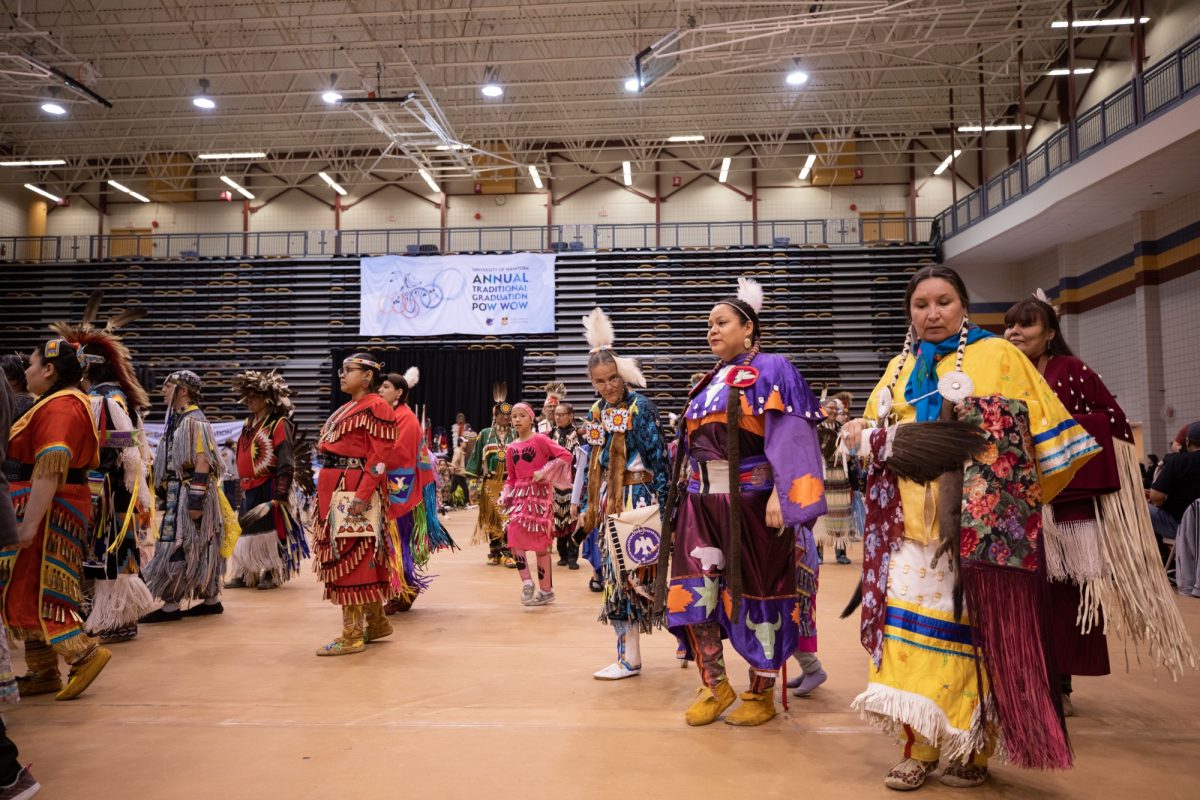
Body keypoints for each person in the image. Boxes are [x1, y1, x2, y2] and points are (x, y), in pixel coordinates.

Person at [847, 265, 1099, 790]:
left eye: (943, 302)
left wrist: (974, 427)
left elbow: (1040, 438)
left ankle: (971, 748)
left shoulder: (998, 357)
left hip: (975, 534)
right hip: (908, 530)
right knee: (907, 642)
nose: (932, 313)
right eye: (921, 305)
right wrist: (861, 434)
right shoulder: (899, 366)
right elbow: (877, 432)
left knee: (972, 643)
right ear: (909, 313)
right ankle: (917, 747)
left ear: (963, 306)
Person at [1005, 294, 1196, 712]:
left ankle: (1061, 683)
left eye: (1027, 324)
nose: (1015, 331)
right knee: (1018, 592)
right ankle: (1022, 676)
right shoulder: (1001, 372)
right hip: (1016, 504)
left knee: (1065, 593)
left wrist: (1059, 433)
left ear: (1050, 333)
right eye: (1010, 324)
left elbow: (1113, 423)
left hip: (1067, 507)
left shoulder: (1071, 371)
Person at [666, 278, 828, 726]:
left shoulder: (774, 368)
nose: (712, 331)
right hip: (702, 504)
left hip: (755, 503)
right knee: (695, 590)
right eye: (708, 325)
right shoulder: (708, 380)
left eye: (721, 322)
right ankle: (714, 685)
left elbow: (793, 435)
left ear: (749, 328)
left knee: (761, 592)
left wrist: (782, 490)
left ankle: (760, 694)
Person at [0, 338, 111, 700]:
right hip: (44, 505)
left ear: (49, 370)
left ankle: (83, 653)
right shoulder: (54, 403)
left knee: (41, 588)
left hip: (47, 511)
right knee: (25, 587)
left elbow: (50, 468)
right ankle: (43, 671)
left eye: (31, 365)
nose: (26, 371)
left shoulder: (62, 407)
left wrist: (28, 526)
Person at [52, 298, 158, 644]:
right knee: (112, 553)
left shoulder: (103, 399)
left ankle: (119, 619)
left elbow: (123, 448)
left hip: (109, 492)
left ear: (86, 368)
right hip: (116, 491)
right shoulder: (111, 396)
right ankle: (115, 617)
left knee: (110, 554)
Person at [575, 307, 670, 680]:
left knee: (648, 578)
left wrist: (665, 509)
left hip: (641, 502)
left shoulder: (641, 408)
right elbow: (594, 462)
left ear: (622, 373)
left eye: (612, 378)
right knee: (618, 582)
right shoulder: (596, 411)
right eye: (599, 381)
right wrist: (586, 505)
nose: (608, 387)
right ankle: (628, 657)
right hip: (610, 504)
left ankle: (689, 643)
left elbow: (659, 460)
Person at [312, 354, 401, 655]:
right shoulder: (349, 407)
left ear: (367, 377)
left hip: (351, 492)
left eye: (348, 370)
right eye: (342, 370)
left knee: (350, 556)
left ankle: (351, 635)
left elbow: (379, 458)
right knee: (356, 555)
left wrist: (363, 496)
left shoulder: (377, 406)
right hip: (337, 488)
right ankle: (376, 623)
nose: (341, 375)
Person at [140, 371, 229, 622]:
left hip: (189, 492)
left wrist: (196, 501)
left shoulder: (194, 421)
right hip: (179, 491)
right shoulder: (178, 420)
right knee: (197, 543)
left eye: (168, 386)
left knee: (181, 543)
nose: (162, 391)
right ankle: (210, 599)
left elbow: (203, 462)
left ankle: (172, 604)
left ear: (183, 391)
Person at [379, 368, 455, 616]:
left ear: (399, 392)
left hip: (401, 489)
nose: (380, 390)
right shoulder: (390, 414)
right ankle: (400, 589)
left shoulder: (406, 418)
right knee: (391, 542)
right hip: (390, 487)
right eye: (380, 387)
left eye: (386, 387)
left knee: (397, 541)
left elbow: (398, 452)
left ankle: (405, 590)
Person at [225, 370, 307, 591]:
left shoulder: (278, 424)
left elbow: (286, 461)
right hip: (248, 486)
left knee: (270, 531)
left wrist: (281, 493)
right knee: (244, 530)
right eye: (247, 397)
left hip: (269, 486)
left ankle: (271, 572)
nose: (249, 401)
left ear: (267, 398)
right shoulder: (249, 422)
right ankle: (244, 573)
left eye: (254, 396)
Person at [0, 376, 41, 797]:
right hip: (15, 506)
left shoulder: (60, 406)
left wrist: (26, 524)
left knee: (36, 595)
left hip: (39, 506)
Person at [500, 403, 573, 606]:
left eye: (521, 415)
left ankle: (546, 591)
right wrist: (506, 494)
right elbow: (511, 478)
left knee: (541, 547)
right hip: (520, 500)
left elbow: (566, 455)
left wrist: (546, 471)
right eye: (514, 416)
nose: (516, 420)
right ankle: (526, 582)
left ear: (531, 418)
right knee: (514, 539)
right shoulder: (511, 448)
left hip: (540, 498)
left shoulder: (541, 440)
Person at [466, 389, 516, 567]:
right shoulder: (485, 434)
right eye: (502, 414)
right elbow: (476, 458)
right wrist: (472, 482)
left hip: (510, 483)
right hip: (491, 482)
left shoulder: (516, 434)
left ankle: (508, 552)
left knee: (509, 517)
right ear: (495, 416)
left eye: (508, 414)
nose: (506, 417)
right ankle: (494, 551)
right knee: (493, 517)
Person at [813, 393, 853, 565]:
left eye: (835, 409)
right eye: (830, 408)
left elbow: (852, 452)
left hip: (839, 476)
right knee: (821, 515)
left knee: (841, 514)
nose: (833, 412)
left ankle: (840, 552)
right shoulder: (815, 430)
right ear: (822, 409)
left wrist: (849, 451)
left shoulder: (842, 430)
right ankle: (818, 552)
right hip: (822, 476)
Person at [548, 401, 583, 569]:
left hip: (573, 484)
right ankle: (562, 553)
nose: (558, 417)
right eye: (556, 414)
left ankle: (572, 557)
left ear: (571, 416)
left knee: (573, 521)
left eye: (562, 414)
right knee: (558, 520)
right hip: (554, 484)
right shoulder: (549, 435)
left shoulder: (579, 436)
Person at [448, 433, 475, 508]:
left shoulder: (461, 451)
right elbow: (454, 462)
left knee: (453, 489)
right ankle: (467, 503)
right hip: (459, 473)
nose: (466, 443)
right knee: (465, 488)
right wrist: (456, 469)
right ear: (460, 443)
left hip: (459, 473)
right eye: (464, 442)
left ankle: (447, 502)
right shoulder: (458, 451)